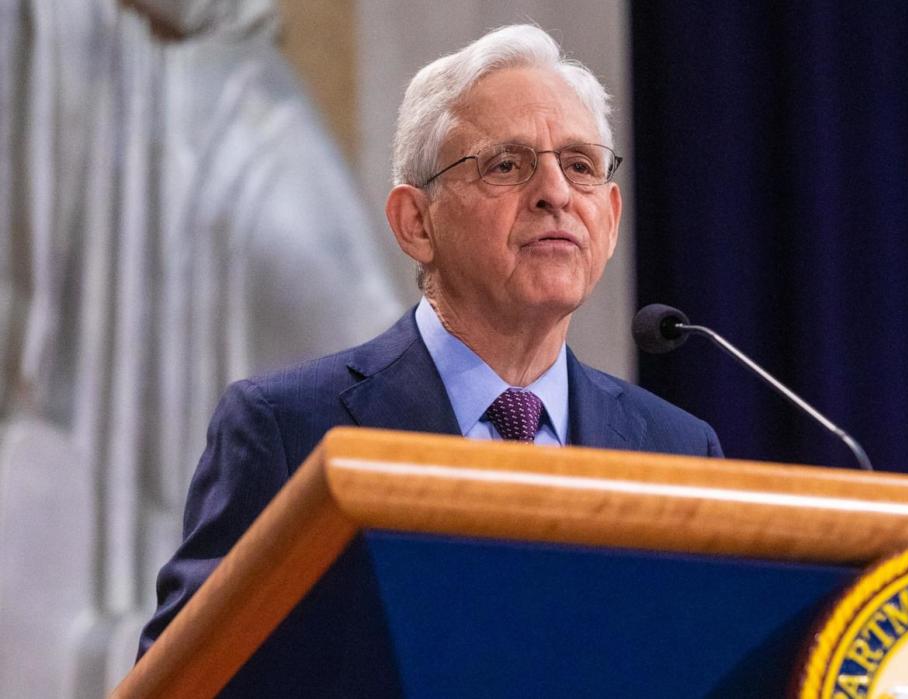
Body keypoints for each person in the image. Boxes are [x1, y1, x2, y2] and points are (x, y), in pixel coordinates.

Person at [137, 24, 721, 694]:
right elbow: (186, 681)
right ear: (416, 222)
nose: (556, 193)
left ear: (610, 220)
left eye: (581, 165)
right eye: (508, 164)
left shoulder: (678, 451)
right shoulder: (289, 430)